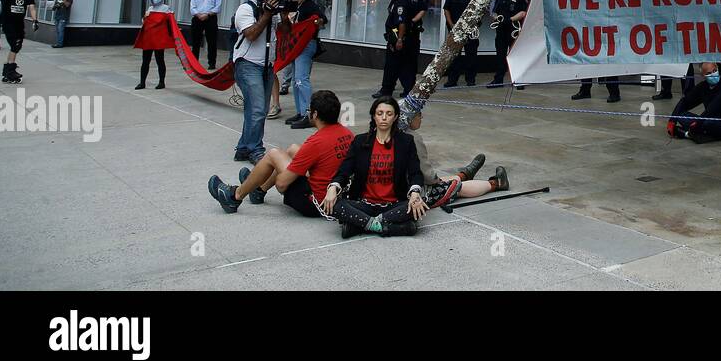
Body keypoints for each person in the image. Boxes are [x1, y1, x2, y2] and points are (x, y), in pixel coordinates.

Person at [322, 97, 459, 237]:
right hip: (364, 205)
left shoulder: (405, 142)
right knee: (336, 205)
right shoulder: (360, 141)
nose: (384, 118)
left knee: (417, 206)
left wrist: (415, 193)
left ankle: (361, 226)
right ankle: (390, 227)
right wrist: (333, 187)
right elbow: (344, 170)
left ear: (395, 117)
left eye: (389, 114)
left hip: (394, 204)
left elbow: (415, 173)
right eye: (380, 113)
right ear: (374, 116)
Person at [207, 89, 354, 216]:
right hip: (336, 193)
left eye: (309, 110)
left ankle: (235, 196)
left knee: (274, 154)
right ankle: (258, 188)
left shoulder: (316, 142)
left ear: (315, 115)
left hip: (313, 202)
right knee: (293, 149)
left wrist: (280, 171)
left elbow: (281, 185)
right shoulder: (347, 134)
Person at [232, 0, 290, 163]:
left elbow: (286, 31)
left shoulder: (272, 10)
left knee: (257, 110)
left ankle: (243, 148)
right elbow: (251, 34)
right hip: (247, 64)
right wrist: (266, 14)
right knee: (257, 110)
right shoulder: (245, 9)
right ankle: (255, 149)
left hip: (266, 66)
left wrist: (283, 12)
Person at [406, 111, 509, 196]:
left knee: (438, 180)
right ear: (409, 118)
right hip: (411, 193)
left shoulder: (398, 133)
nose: (421, 117)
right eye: (419, 114)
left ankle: (464, 175)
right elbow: (426, 174)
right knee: (456, 188)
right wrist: (435, 182)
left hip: (403, 186)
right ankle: (496, 183)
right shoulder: (412, 137)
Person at [571, 0, 621, 102]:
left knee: (609, 63)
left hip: (605, 33)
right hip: (590, 32)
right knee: (586, 61)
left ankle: (614, 92)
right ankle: (585, 90)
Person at [664, 62, 721, 142]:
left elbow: (714, 106)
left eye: (714, 71)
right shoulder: (703, 87)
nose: (713, 74)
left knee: (707, 123)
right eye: (709, 73)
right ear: (703, 75)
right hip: (707, 120)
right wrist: (672, 120)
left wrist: (698, 123)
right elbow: (685, 101)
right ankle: (696, 133)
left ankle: (687, 134)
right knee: (681, 115)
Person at [375, 0, 425, 99]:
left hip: (405, 36)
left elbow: (402, 22)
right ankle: (389, 89)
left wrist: (400, 39)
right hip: (396, 36)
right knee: (394, 65)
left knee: (403, 65)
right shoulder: (396, 0)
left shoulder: (408, 0)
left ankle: (404, 89)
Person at [286, 0, 328, 128]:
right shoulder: (299, 5)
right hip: (299, 44)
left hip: (306, 44)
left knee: (301, 79)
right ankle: (301, 111)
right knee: (296, 81)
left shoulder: (309, 5)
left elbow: (322, 18)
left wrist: (316, 22)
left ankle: (309, 114)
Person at [488, 0, 528, 87]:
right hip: (501, 30)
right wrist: (497, 18)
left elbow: (523, 12)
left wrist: (510, 19)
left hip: (513, 30)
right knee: (500, 56)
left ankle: (518, 80)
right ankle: (498, 80)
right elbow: (494, 12)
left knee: (516, 56)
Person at [442, 0, 480, 87]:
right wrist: (451, 25)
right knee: (454, 56)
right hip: (455, 30)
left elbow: (479, 11)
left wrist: (474, 24)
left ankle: (470, 79)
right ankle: (452, 80)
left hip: (470, 30)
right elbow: (446, 9)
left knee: (471, 56)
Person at [0, 0, 37, 83]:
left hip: (19, 25)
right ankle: (10, 71)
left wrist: (35, 20)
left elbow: (32, 8)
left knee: (17, 46)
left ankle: (7, 71)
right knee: (15, 44)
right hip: (8, 23)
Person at [136, 0, 171, 89]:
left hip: (159, 39)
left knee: (160, 60)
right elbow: (144, 22)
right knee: (145, 61)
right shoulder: (150, 9)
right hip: (148, 39)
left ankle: (161, 82)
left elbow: (170, 22)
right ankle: (142, 82)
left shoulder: (166, 8)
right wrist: (145, 17)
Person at [189, 0, 223, 70]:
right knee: (195, 42)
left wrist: (207, 15)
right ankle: (194, 63)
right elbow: (192, 7)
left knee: (212, 42)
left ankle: (212, 63)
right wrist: (199, 15)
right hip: (197, 18)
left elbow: (218, 7)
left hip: (211, 18)